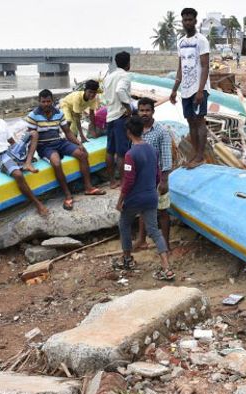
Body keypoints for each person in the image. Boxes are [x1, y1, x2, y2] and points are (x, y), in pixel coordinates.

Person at [115, 116, 175, 281]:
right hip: (151, 196)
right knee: (155, 231)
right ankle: (166, 267)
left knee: (124, 224)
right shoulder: (152, 150)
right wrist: (152, 190)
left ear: (128, 132)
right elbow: (156, 175)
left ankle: (127, 259)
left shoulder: (130, 154)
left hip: (135, 198)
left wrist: (120, 200)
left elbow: (128, 181)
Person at [26, 89, 106, 211]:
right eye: (43, 102)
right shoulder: (33, 115)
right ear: (39, 101)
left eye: (48, 101)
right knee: (56, 163)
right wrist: (30, 158)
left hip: (59, 142)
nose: (46, 104)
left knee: (82, 154)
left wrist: (79, 143)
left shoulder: (58, 112)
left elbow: (67, 132)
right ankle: (67, 194)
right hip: (45, 147)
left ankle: (88, 187)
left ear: (52, 101)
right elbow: (31, 137)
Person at [171, 7, 211, 169]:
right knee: (190, 122)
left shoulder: (201, 40)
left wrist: (200, 90)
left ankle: (200, 156)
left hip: (199, 89)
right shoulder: (180, 42)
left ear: (195, 21)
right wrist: (174, 89)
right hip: (185, 90)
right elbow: (180, 67)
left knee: (200, 121)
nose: (187, 22)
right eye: (185, 19)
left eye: (190, 19)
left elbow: (205, 66)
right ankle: (195, 154)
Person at [134, 98, 173, 250]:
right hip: (141, 178)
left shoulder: (161, 131)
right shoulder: (135, 130)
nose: (144, 113)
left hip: (157, 177)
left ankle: (166, 244)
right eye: (141, 110)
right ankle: (142, 240)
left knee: (162, 211)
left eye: (147, 110)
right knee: (142, 210)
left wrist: (164, 180)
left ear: (153, 111)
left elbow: (166, 157)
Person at [104, 51, 133, 189]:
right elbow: (120, 91)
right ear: (128, 63)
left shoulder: (108, 77)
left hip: (109, 116)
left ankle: (111, 181)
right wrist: (128, 108)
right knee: (122, 152)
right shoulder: (125, 75)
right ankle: (123, 181)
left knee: (110, 150)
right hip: (120, 117)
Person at [59, 79, 101, 144]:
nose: (92, 95)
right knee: (68, 120)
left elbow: (92, 114)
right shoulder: (77, 97)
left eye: (94, 92)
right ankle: (62, 140)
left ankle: (70, 141)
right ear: (85, 90)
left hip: (75, 110)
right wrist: (82, 136)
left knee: (74, 132)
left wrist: (93, 130)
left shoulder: (93, 99)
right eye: (90, 92)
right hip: (66, 105)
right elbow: (77, 119)